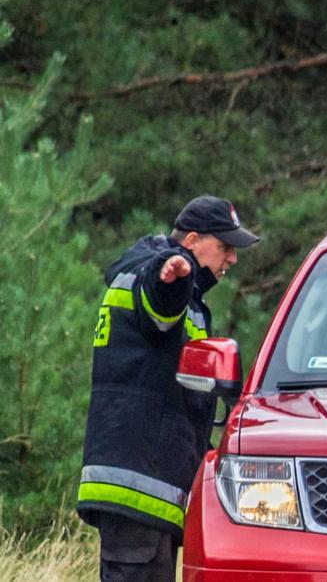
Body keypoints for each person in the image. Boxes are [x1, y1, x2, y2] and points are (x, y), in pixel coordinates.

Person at [80, 196, 259, 582]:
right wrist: (172, 273)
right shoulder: (162, 276)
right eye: (225, 247)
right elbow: (159, 304)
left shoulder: (186, 294)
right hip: (137, 485)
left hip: (152, 487)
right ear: (192, 240)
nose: (232, 259)